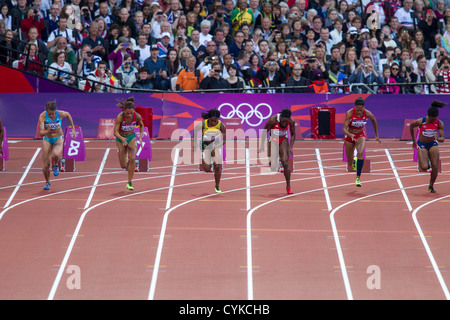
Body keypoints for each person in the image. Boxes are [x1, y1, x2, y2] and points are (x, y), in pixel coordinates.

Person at [342, 97, 380, 187]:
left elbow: (374, 120)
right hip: (350, 135)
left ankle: (358, 178)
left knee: (360, 153)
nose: (359, 112)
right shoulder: (349, 113)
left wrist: (376, 135)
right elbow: (344, 129)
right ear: (355, 107)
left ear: (363, 108)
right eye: (358, 110)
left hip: (360, 135)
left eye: (361, 110)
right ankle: (353, 161)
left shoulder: (367, 113)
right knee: (350, 163)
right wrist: (350, 135)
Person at [38, 101, 76, 190]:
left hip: (58, 138)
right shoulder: (42, 116)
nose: (51, 116)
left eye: (53, 114)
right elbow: (41, 133)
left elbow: (68, 115)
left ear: (55, 110)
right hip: (47, 139)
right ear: (46, 111)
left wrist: (73, 128)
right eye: (49, 114)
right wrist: (47, 131)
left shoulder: (60, 114)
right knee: (46, 165)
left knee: (55, 154)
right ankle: (47, 182)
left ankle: (55, 165)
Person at [409, 100, 445, 193]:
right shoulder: (421, 121)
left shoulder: (439, 123)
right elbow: (411, 126)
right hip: (422, 144)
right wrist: (413, 140)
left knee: (435, 167)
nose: (432, 121)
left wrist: (439, 139)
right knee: (424, 167)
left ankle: (431, 185)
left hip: (433, 144)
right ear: (428, 116)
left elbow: (442, 137)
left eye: (434, 119)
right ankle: (428, 159)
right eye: (431, 119)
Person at [259, 108, 296, 194]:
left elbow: (293, 134)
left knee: (286, 163)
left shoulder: (291, 122)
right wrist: (262, 145)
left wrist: (290, 147)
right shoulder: (273, 120)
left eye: (286, 121)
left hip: (283, 139)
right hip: (273, 139)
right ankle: (277, 163)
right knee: (272, 167)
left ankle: (288, 186)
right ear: (281, 117)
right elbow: (264, 131)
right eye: (283, 121)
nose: (284, 123)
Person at [113, 97, 144, 191]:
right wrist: (122, 139)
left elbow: (142, 125)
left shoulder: (137, 116)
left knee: (133, 159)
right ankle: (125, 156)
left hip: (131, 137)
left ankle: (129, 182)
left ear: (134, 111)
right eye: (128, 113)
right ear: (124, 111)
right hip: (120, 138)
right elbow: (115, 132)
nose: (130, 115)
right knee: (123, 166)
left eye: (131, 113)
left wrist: (141, 137)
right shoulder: (120, 117)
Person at [193, 109, 226, 194]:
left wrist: (215, 146)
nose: (213, 122)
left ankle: (217, 186)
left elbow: (224, 141)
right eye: (212, 120)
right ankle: (209, 163)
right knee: (207, 169)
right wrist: (195, 143)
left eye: (215, 121)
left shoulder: (221, 126)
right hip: (204, 145)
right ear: (209, 118)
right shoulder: (203, 124)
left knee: (218, 167)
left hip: (215, 145)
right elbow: (195, 131)